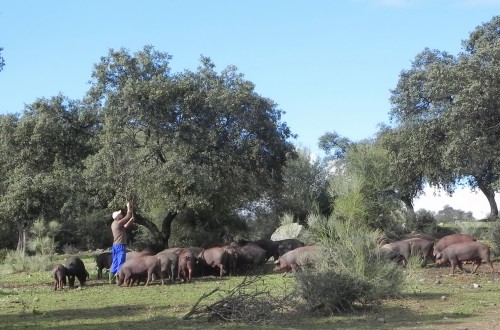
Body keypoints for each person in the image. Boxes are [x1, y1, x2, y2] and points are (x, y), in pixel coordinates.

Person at [109, 201, 134, 283]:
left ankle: (111, 278)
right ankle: (119, 278)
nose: (121, 214)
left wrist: (130, 221)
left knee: (115, 261)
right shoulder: (118, 223)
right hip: (120, 245)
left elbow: (125, 226)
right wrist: (129, 207)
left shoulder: (114, 224)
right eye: (119, 214)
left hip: (115, 246)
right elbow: (128, 215)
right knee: (121, 261)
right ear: (117, 217)